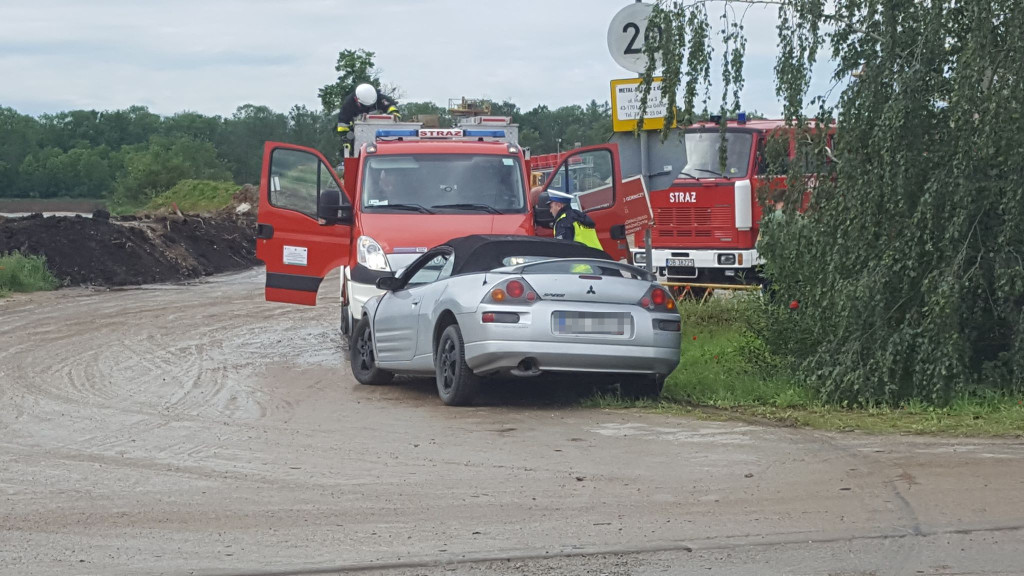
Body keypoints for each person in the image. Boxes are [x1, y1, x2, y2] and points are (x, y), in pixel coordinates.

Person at [336, 83, 401, 139]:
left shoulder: (379, 97)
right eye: (366, 106)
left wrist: (394, 115)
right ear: (357, 100)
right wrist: (346, 139)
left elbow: (391, 107)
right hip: (358, 135)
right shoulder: (348, 105)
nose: (369, 107)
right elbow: (342, 125)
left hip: (383, 132)